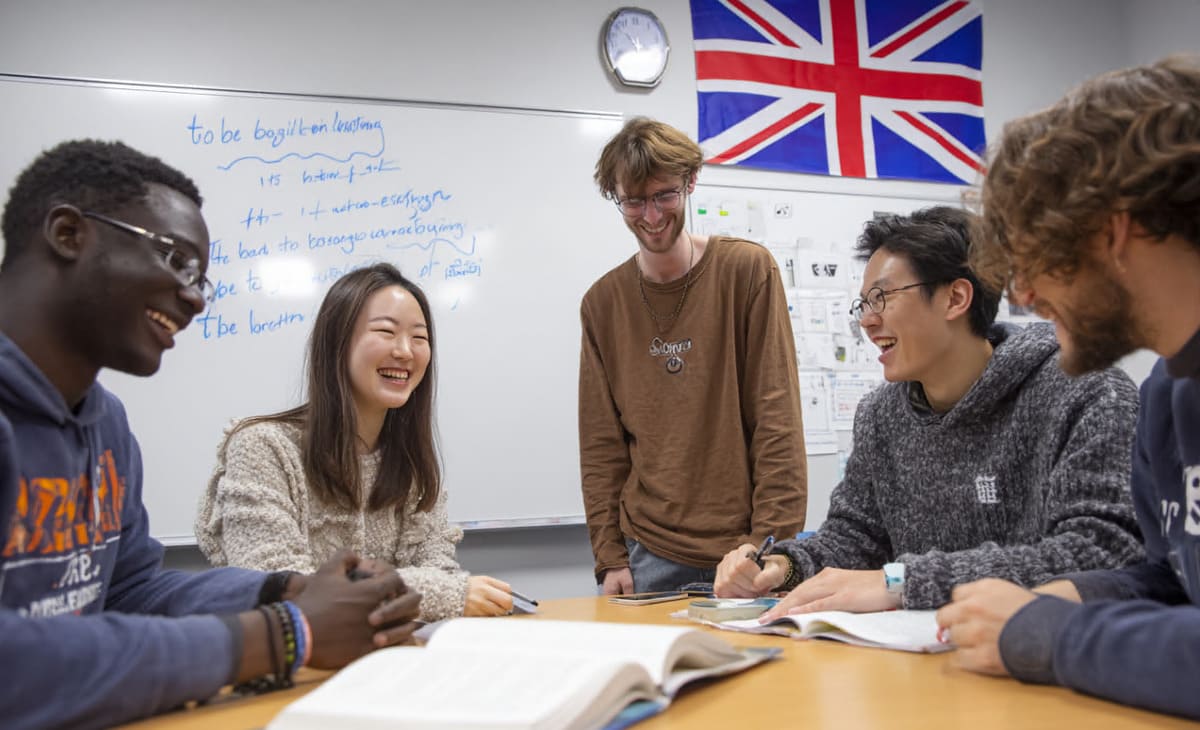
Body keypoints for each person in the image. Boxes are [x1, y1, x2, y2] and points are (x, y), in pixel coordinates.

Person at [0, 140, 422, 730]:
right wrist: (287, 632)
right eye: (175, 260)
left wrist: (289, 591)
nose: (195, 297)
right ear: (69, 234)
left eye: (202, 277)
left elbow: (130, 589)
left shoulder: (106, 425)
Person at [714, 206, 1143, 619]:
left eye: (881, 298)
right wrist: (782, 567)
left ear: (955, 298)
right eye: (862, 304)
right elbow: (857, 537)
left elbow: (1100, 551)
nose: (866, 321)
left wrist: (903, 581)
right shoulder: (880, 415)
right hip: (913, 661)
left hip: (1049, 660)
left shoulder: (1085, 391)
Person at [935, 56, 1200, 720]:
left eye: (1034, 257)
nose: (1023, 295)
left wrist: (1047, 634)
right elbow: (1174, 583)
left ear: (1110, 228)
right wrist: (1064, 595)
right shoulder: (1168, 394)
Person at [196, 263, 514, 620]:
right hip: (295, 664)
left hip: (391, 660)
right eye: (386, 332)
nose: (406, 351)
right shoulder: (262, 447)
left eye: (420, 338)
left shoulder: (411, 464)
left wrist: (444, 593)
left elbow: (438, 571)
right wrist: (443, 594)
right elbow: (279, 586)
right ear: (337, 342)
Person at [580, 117, 808, 595]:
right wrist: (609, 557)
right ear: (616, 199)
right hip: (648, 553)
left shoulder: (747, 271)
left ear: (691, 182)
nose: (652, 215)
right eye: (633, 201)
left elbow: (777, 418)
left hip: (748, 553)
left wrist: (770, 546)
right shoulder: (602, 304)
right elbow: (602, 446)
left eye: (665, 195)